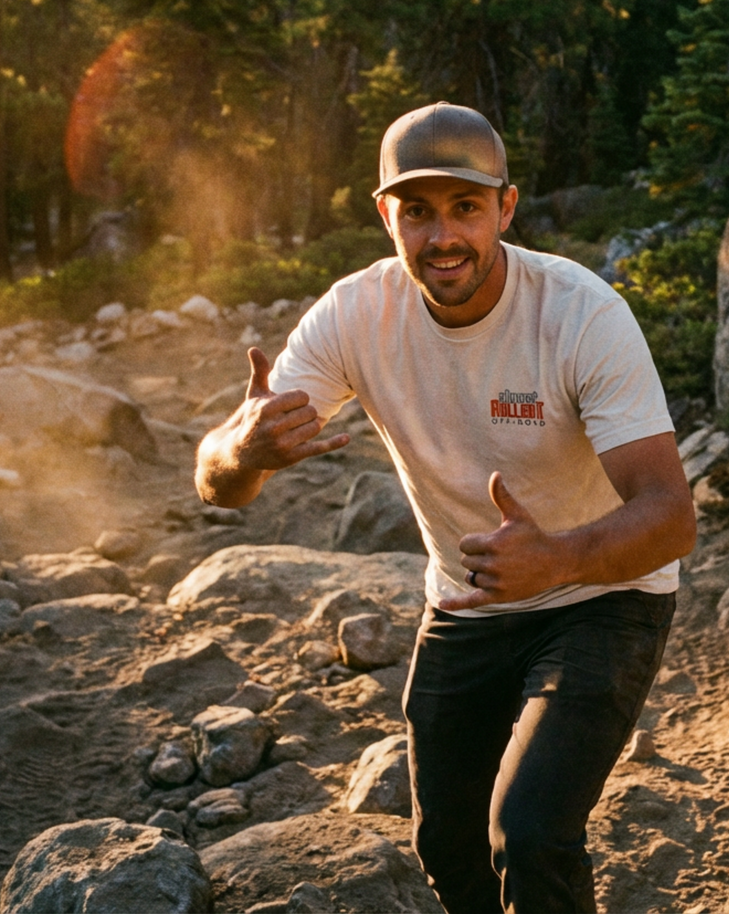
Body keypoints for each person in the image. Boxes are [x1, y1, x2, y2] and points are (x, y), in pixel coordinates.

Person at [195, 102, 696, 914]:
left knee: (530, 831)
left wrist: (558, 557)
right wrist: (240, 451)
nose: (443, 237)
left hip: (605, 594)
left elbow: (671, 516)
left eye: (466, 206)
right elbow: (216, 483)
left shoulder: (579, 313)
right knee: (447, 845)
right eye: (418, 211)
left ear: (506, 206)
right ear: (384, 212)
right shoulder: (357, 313)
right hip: (467, 603)